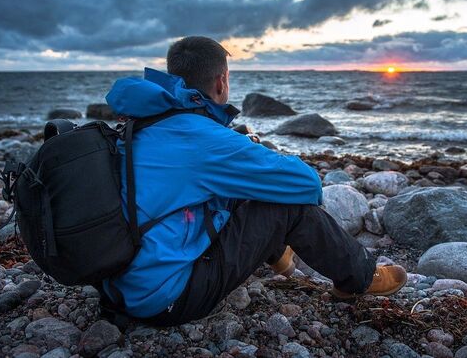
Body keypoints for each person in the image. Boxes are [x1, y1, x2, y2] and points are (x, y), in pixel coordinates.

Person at [101, 36, 407, 326]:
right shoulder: (201, 136)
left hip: (120, 283)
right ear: (221, 81)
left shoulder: (143, 122)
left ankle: (280, 258)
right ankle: (360, 278)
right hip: (165, 299)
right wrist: (255, 152)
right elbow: (307, 184)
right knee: (288, 206)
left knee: (241, 186)